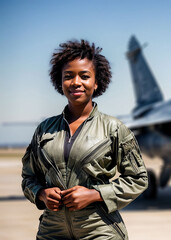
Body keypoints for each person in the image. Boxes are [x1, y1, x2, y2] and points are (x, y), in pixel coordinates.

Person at [21, 39, 148, 240]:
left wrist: (95, 194)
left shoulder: (114, 129)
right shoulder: (44, 130)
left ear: (96, 82)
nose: (76, 82)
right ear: (59, 81)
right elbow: (29, 178)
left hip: (100, 231)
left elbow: (138, 179)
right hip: (52, 232)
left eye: (85, 76)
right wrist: (41, 194)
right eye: (68, 76)